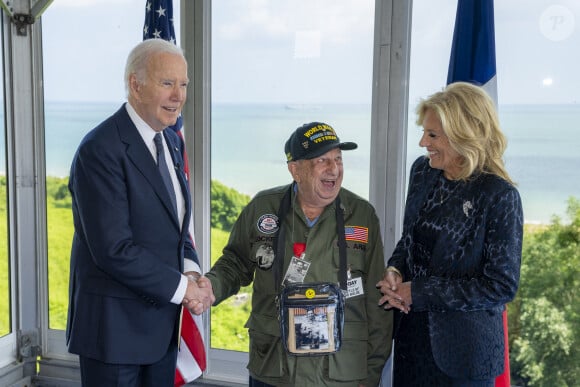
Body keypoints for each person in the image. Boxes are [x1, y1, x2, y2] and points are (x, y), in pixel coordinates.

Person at [66, 38, 214, 387]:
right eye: (167, 83)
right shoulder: (100, 149)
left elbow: (177, 225)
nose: (179, 95)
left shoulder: (171, 140)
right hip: (115, 334)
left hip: (161, 328)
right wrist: (184, 289)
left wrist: (191, 273)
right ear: (136, 84)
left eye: (183, 84)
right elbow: (113, 249)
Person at [202, 122, 393, 386]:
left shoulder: (361, 214)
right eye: (322, 160)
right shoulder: (263, 208)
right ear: (295, 170)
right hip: (275, 369)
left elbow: (377, 298)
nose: (334, 169)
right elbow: (234, 264)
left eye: (338, 159)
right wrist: (210, 285)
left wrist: (371, 372)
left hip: (341, 374)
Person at [377, 82, 523, 386]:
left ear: (463, 135)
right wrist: (394, 270)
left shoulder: (498, 195)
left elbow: (500, 286)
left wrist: (418, 291)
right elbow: (409, 239)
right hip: (411, 344)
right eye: (424, 132)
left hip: (465, 356)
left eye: (432, 135)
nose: (422, 143)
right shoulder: (422, 171)